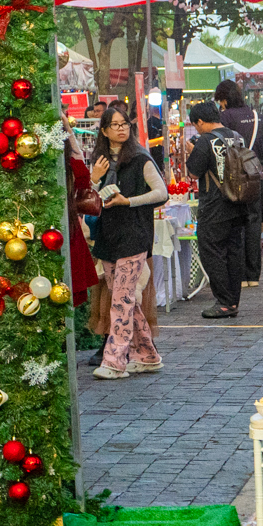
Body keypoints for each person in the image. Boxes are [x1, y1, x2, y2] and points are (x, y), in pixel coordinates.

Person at [89, 103, 167, 380]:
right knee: (125, 300)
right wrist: (94, 179)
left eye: (125, 124)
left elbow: (161, 193)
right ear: (105, 130)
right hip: (109, 236)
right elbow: (89, 200)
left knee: (121, 300)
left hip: (134, 236)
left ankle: (114, 361)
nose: (121, 129)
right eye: (116, 125)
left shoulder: (141, 159)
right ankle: (147, 356)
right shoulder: (99, 160)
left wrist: (128, 201)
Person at [215, 80, 263, 291]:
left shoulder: (224, 118)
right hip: (255, 179)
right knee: (253, 225)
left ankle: (239, 275)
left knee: (235, 227)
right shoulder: (258, 116)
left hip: (232, 182)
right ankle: (253, 275)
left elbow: (220, 150)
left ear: (223, 100)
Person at [188, 101, 243, 319]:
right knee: (233, 252)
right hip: (239, 203)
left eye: (196, 124)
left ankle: (223, 302)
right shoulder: (237, 136)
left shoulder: (205, 140)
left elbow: (193, 172)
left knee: (212, 252)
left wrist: (193, 151)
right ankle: (233, 301)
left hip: (214, 206)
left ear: (200, 121)